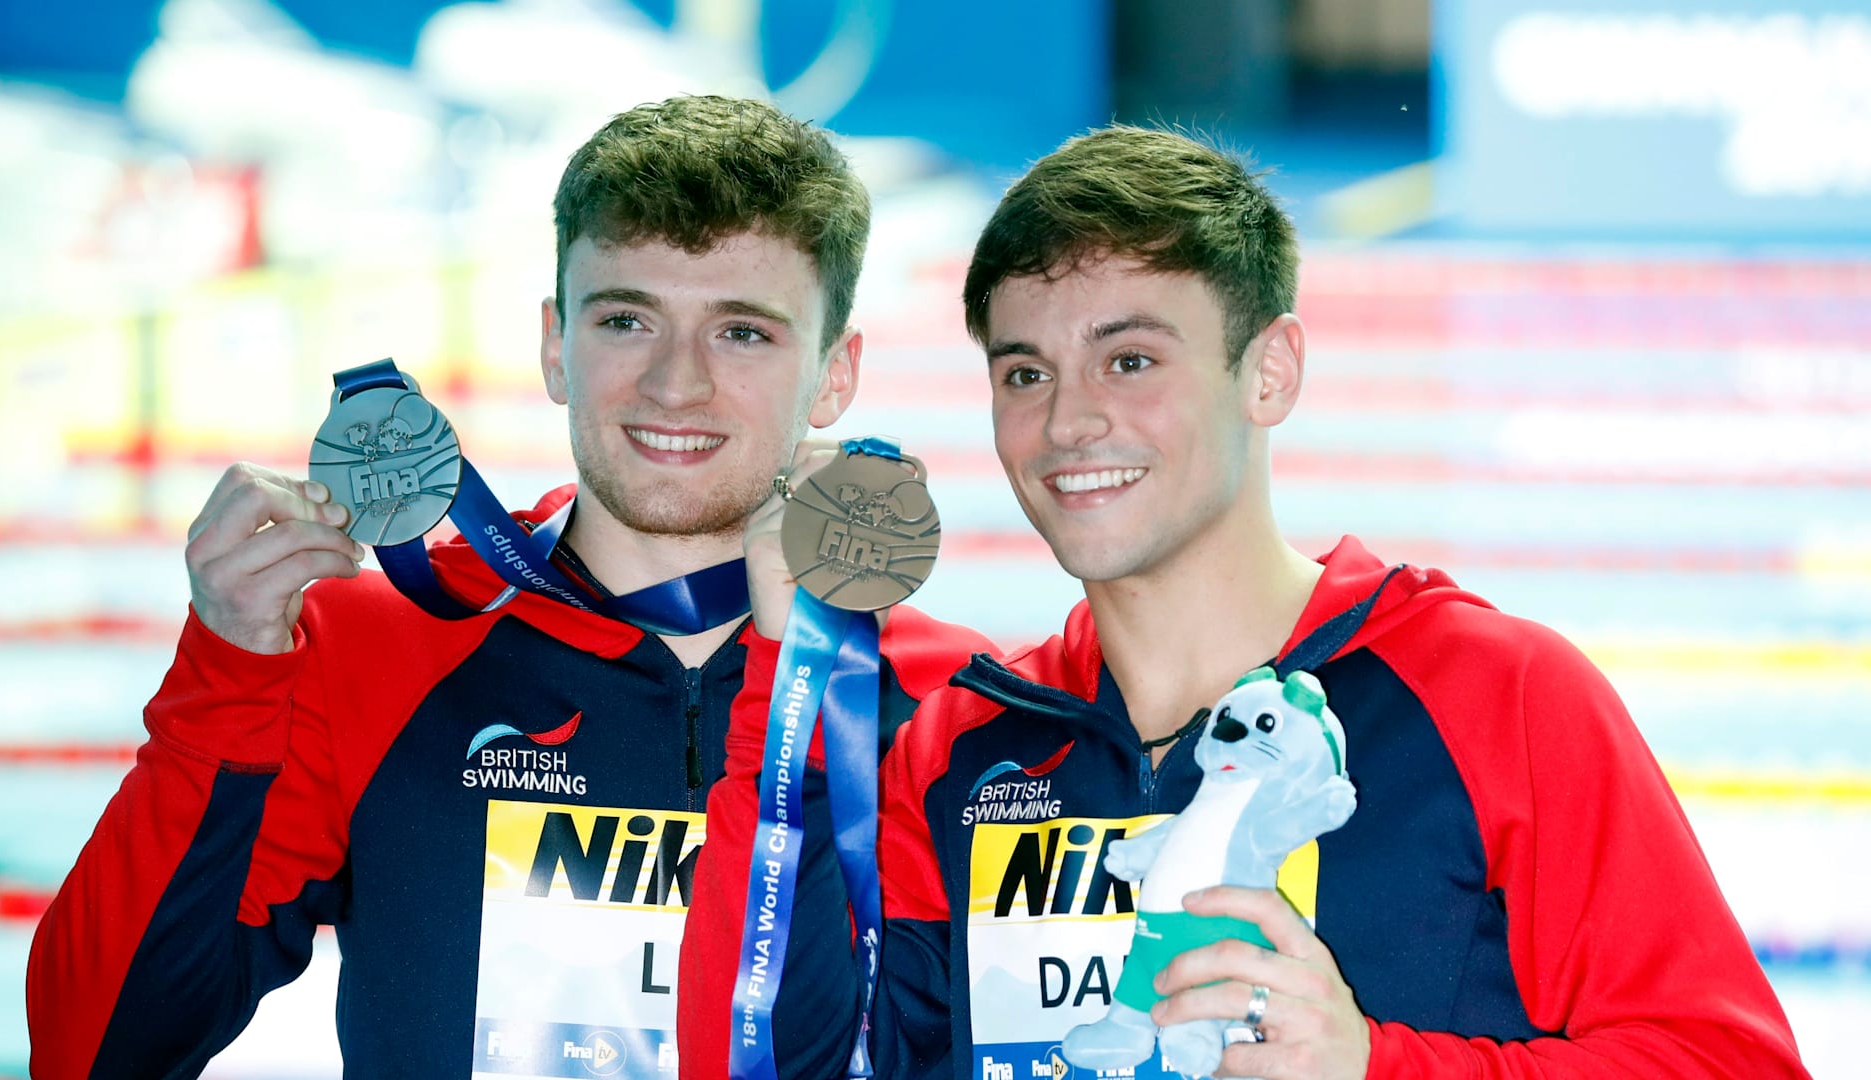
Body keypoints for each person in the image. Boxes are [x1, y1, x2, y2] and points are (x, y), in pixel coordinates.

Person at [704, 126, 1810, 1079]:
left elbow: (1729, 1061)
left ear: (1269, 372)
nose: (1069, 421)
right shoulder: (960, 750)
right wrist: (786, 677)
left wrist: (1375, 1064)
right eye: (1025, 373)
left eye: (1130, 361)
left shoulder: (1494, 695)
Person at [23, 94, 974, 1080]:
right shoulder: (375, 649)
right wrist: (224, 676)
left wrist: (794, 680)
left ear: (835, 373)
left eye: (742, 333)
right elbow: (93, 1049)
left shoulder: (949, 708)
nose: (675, 385)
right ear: (556, 346)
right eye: (626, 320)